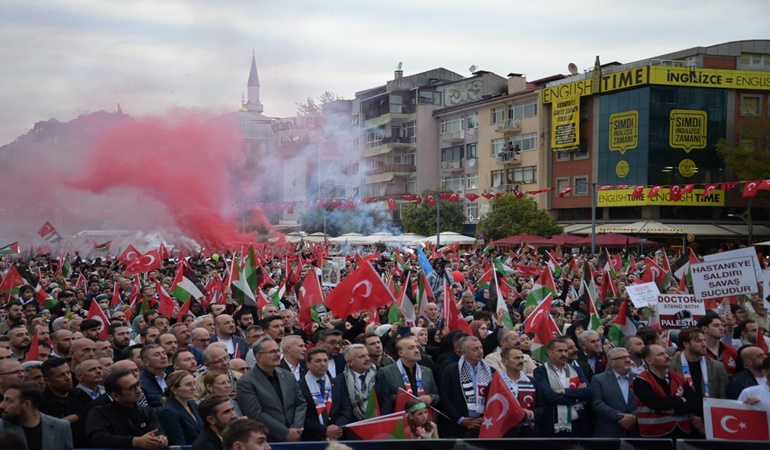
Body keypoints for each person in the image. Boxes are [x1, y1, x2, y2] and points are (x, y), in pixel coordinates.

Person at [235, 336, 305, 442]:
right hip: (268, 440)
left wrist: (296, 429)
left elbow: (300, 403)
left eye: (278, 351)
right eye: (272, 352)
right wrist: (285, 432)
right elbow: (255, 414)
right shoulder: (246, 382)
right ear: (259, 356)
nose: (277, 354)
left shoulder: (287, 375)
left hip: (296, 436)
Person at [86, 369, 168, 449]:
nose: (139, 390)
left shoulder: (146, 411)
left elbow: (157, 430)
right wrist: (134, 441)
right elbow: (99, 439)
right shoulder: (99, 413)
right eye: (131, 388)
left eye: (138, 384)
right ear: (116, 396)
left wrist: (161, 439)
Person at [633, 344, 700, 438]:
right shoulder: (641, 380)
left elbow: (694, 402)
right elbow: (657, 403)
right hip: (654, 434)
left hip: (681, 432)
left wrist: (672, 407)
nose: (667, 356)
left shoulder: (679, 377)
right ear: (649, 360)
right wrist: (681, 400)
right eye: (661, 354)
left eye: (665, 353)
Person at [533, 337, 592, 437]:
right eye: (560, 351)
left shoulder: (576, 369)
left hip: (579, 424)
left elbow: (589, 391)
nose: (564, 354)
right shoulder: (541, 371)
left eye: (566, 350)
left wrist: (564, 391)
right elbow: (549, 396)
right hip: (554, 426)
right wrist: (577, 397)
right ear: (549, 352)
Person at [439, 336, 494, 438]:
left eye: (481, 347)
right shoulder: (451, 370)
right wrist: (460, 419)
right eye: (475, 349)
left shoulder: (491, 371)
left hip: (484, 424)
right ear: (463, 352)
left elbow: (495, 398)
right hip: (457, 426)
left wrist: (485, 418)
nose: (480, 351)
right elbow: (445, 397)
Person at [0, 382, 74, 450]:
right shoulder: (2, 427)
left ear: (26, 404)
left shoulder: (61, 427)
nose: (1, 405)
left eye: (8, 400)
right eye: (3, 399)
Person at [376, 336, 440, 414]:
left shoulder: (427, 371)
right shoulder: (385, 372)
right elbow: (382, 399)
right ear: (400, 353)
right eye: (411, 348)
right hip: (399, 420)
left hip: (423, 418)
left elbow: (436, 394)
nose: (416, 350)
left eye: (417, 347)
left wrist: (431, 398)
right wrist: (405, 398)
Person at [298, 347, 346, 441]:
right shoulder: (299, 385)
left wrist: (337, 427)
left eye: (325, 360)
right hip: (312, 438)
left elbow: (346, 408)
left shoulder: (336, 383)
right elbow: (302, 416)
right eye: (318, 361)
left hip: (337, 437)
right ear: (308, 364)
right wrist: (324, 430)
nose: (323, 364)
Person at [589, 347, 639, 437]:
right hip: (609, 431)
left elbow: (646, 402)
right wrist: (623, 418)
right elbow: (597, 403)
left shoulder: (639, 379)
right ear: (611, 362)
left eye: (628, 357)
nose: (628, 360)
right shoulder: (599, 379)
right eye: (623, 358)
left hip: (635, 431)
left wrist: (634, 417)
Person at [670, 328, 728, 399]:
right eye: (699, 341)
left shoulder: (717, 366)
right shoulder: (670, 365)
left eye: (704, 340)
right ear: (686, 344)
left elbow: (723, 396)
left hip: (707, 408)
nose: (704, 344)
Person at [499, 347, 543, 437]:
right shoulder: (497, 383)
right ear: (504, 361)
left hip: (529, 431)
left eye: (522, 357)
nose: (521, 361)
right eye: (516, 358)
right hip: (505, 432)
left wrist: (530, 414)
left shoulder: (533, 382)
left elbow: (542, 407)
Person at [159, 370, 203, 445]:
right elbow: (178, 442)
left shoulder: (193, 405)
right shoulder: (168, 412)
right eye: (188, 385)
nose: (193, 388)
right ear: (174, 389)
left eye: (194, 383)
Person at [139, 344, 168, 412]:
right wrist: (170, 410)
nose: (163, 357)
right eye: (157, 355)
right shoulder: (141, 383)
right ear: (145, 362)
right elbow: (144, 411)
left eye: (164, 353)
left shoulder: (171, 377)